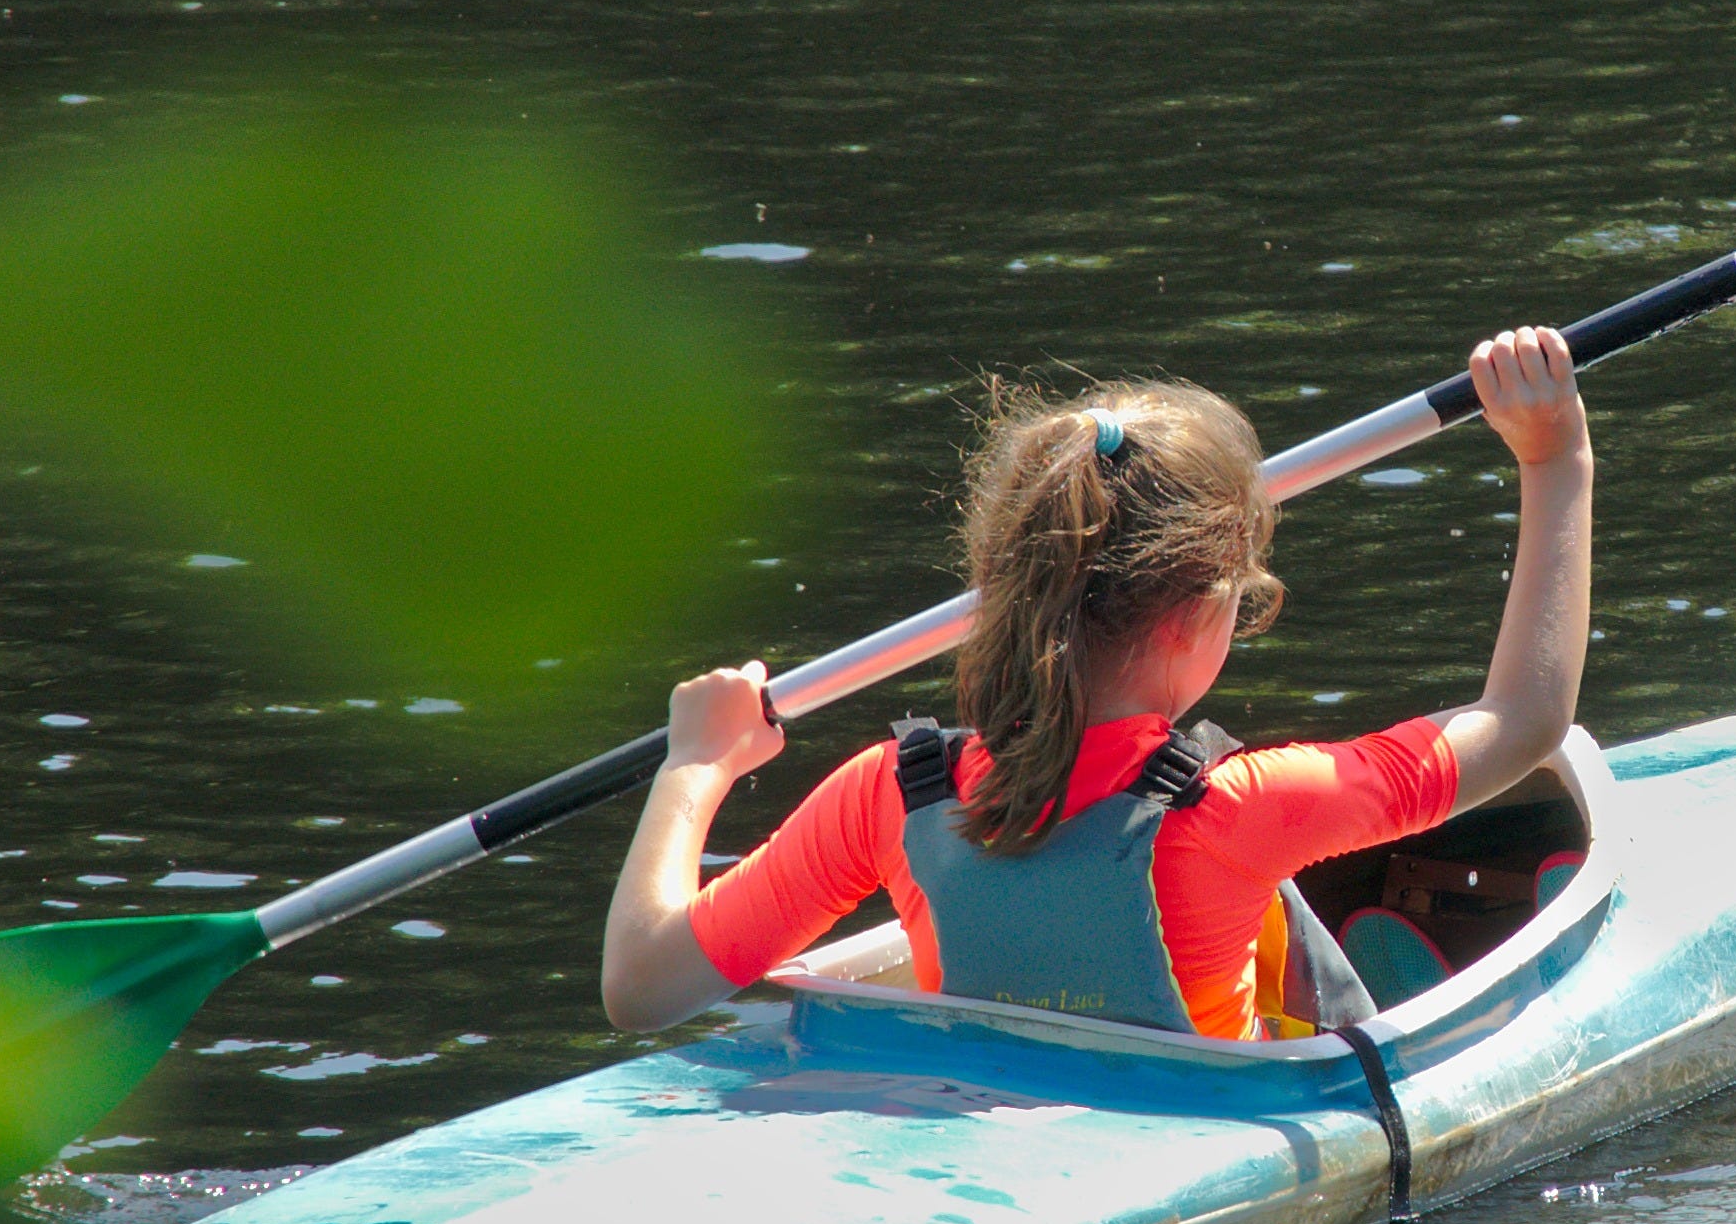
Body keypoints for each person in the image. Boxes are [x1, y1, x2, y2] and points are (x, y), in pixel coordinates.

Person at [597, 329, 1595, 1039]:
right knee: (1283, 907)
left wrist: (695, 765)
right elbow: (1524, 720)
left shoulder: (889, 795)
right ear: (1190, 616)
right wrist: (1556, 460)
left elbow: (640, 987)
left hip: (994, 1144)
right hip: (1202, 1154)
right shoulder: (1241, 807)